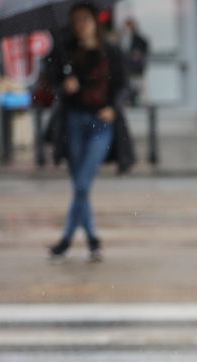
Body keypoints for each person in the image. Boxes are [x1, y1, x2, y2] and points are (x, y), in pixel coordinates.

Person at [46, 3, 130, 262]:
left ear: (95, 21)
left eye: (84, 20)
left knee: (82, 184)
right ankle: (92, 241)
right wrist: (64, 85)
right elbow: (50, 81)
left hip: (100, 123)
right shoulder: (65, 51)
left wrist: (114, 108)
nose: (80, 26)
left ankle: (68, 240)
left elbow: (124, 86)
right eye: (76, 21)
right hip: (73, 121)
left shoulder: (110, 51)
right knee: (79, 186)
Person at [120, 18, 149, 106]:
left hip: (136, 66)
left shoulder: (138, 38)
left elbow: (144, 48)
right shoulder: (124, 37)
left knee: (140, 85)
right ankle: (130, 100)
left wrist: (138, 54)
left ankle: (142, 102)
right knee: (128, 84)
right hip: (127, 66)